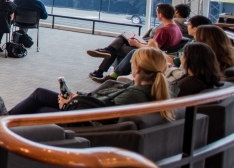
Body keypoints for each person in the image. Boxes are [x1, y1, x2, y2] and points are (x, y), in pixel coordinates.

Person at [10, 47, 174, 121]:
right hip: (82, 106)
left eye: (132, 62)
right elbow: (101, 104)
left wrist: (70, 103)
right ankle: (3, 121)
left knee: (39, 99)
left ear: (137, 69)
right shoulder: (143, 89)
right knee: (39, 100)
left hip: (80, 116)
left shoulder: (134, 94)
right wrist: (77, 97)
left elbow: (100, 115)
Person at [88, 3, 183, 81]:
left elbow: (153, 48)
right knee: (124, 36)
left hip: (151, 52)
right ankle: (106, 54)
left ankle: (103, 65)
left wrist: (136, 44)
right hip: (158, 49)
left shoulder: (164, 30)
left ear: (161, 14)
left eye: (157, 12)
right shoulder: (176, 27)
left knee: (118, 48)